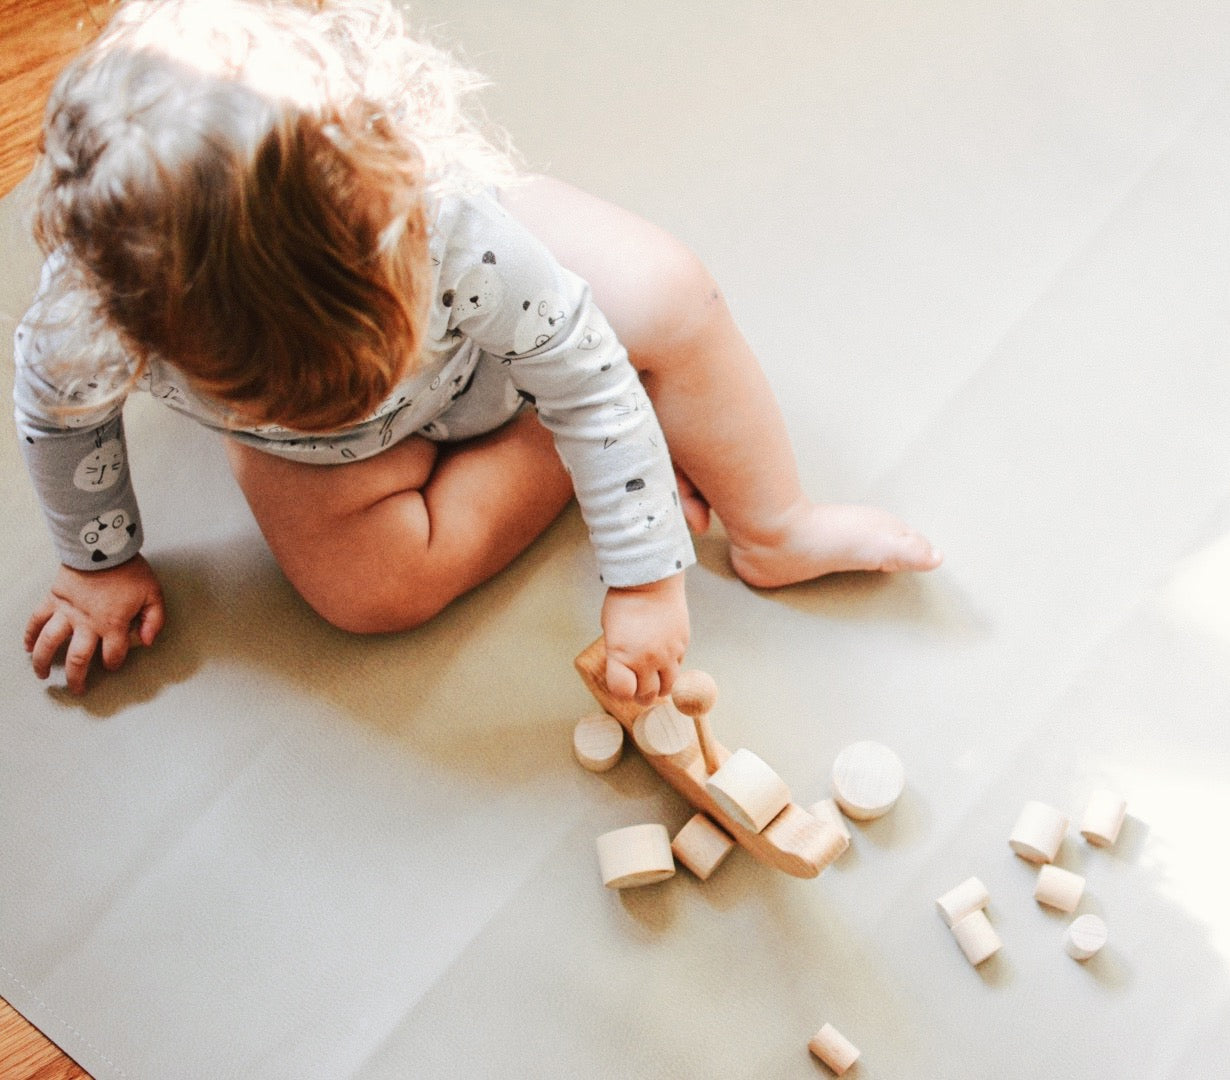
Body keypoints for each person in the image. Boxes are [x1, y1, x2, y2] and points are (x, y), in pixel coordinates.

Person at [14, 0, 941, 701]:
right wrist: (100, 565)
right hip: (344, 464)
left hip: (503, 325)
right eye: (271, 394)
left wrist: (648, 578)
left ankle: (778, 527)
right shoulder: (90, 317)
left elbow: (575, 356)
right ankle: (600, 435)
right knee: (372, 592)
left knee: (669, 295)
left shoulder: (445, 226)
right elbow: (59, 426)